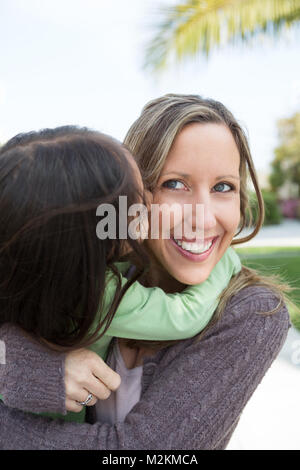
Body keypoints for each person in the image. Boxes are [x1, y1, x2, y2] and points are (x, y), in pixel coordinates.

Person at [0, 94, 291, 450]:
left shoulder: (253, 313)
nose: (202, 216)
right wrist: (39, 371)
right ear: (130, 192)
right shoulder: (91, 275)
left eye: (223, 187)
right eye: (175, 184)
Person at [0, 124, 241, 422]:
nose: (150, 205)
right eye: (137, 198)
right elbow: (184, 316)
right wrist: (226, 262)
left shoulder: (25, 272)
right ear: (95, 230)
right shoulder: (100, 291)